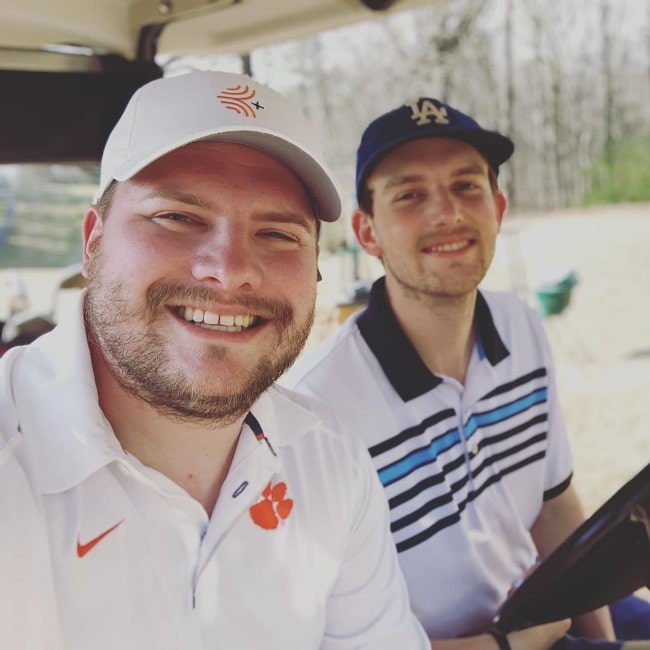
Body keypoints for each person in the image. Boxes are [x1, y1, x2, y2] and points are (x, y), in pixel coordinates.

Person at [0, 70, 432, 650]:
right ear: (93, 240)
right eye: (177, 218)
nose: (229, 270)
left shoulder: (328, 455)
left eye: (278, 234)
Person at [283, 97, 650, 650]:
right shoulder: (316, 410)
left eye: (466, 186)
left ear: (498, 209)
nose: (446, 213)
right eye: (409, 195)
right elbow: (320, 639)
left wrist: (602, 639)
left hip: (546, 605)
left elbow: (554, 509)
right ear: (367, 233)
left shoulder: (521, 326)